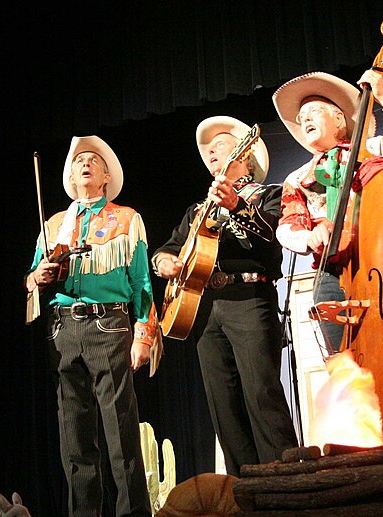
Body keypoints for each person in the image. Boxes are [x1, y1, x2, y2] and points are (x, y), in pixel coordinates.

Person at [152, 116, 298, 477]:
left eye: (222, 146)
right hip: (203, 309)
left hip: (249, 298)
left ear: (245, 155)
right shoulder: (196, 211)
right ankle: (243, 490)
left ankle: (289, 485)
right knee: (224, 409)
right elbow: (167, 249)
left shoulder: (270, 195)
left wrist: (236, 206)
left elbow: (272, 240)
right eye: (210, 150)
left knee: (263, 397)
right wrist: (164, 262)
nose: (213, 153)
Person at [25, 136, 158, 516]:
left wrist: (143, 334)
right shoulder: (52, 225)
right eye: (78, 160)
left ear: (105, 177)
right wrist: (39, 275)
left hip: (110, 326)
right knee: (74, 437)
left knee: (121, 433)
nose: (84, 163)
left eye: (92, 161)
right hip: (62, 329)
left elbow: (142, 284)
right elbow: (30, 280)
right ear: (71, 175)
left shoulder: (127, 219)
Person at [272, 70, 383, 352]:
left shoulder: (372, 149)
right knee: (342, 361)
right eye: (302, 119)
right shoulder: (297, 178)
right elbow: (287, 227)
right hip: (332, 274)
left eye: (314, 111)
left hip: (382, 263)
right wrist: (308, 237)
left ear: (339, 119)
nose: (306, 120)